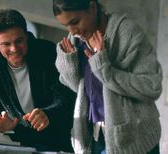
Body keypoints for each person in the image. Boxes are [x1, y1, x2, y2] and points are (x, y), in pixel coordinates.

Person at [52, 0, 163, 154]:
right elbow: (80, 89)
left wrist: (105, 70)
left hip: (136, 140)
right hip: (96, 138)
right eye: (66, 25)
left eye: (75, 21)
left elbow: (152, 86)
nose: (73, 31)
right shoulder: (75, 41)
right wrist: (68, 66)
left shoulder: (127, 33)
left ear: (92, 7)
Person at [0, 9, 75, 152]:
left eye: (19, 41)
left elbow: (69, 98)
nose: (14, 49)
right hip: (18, 145)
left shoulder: (49, 52)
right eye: (6, 44)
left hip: (58, 141)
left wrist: (48, 114)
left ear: (27, 35)